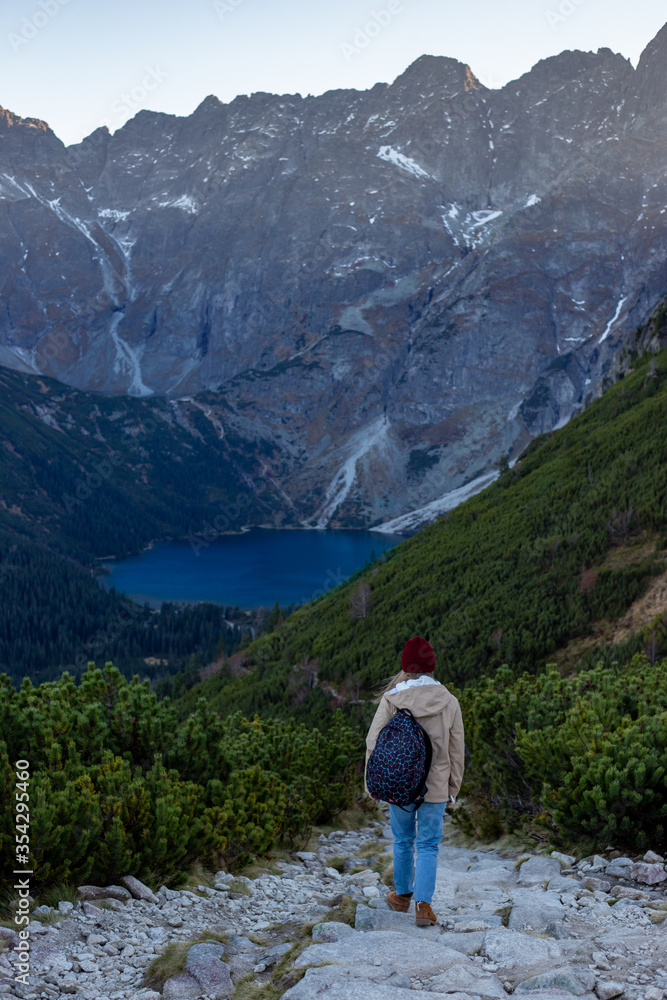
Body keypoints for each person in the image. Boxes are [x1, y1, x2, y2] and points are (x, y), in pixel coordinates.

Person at [365, 635, 465, 927]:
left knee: (403, 840)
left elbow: (374, 741)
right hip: (435, 785)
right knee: (429, 844)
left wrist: (372, 783)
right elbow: (456, 750)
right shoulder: (449, 701)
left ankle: (401, 897)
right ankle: (424, 907)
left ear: (405, 667)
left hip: (399, 783)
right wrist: (453, 788)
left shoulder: (392, 698)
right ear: (432, 667)